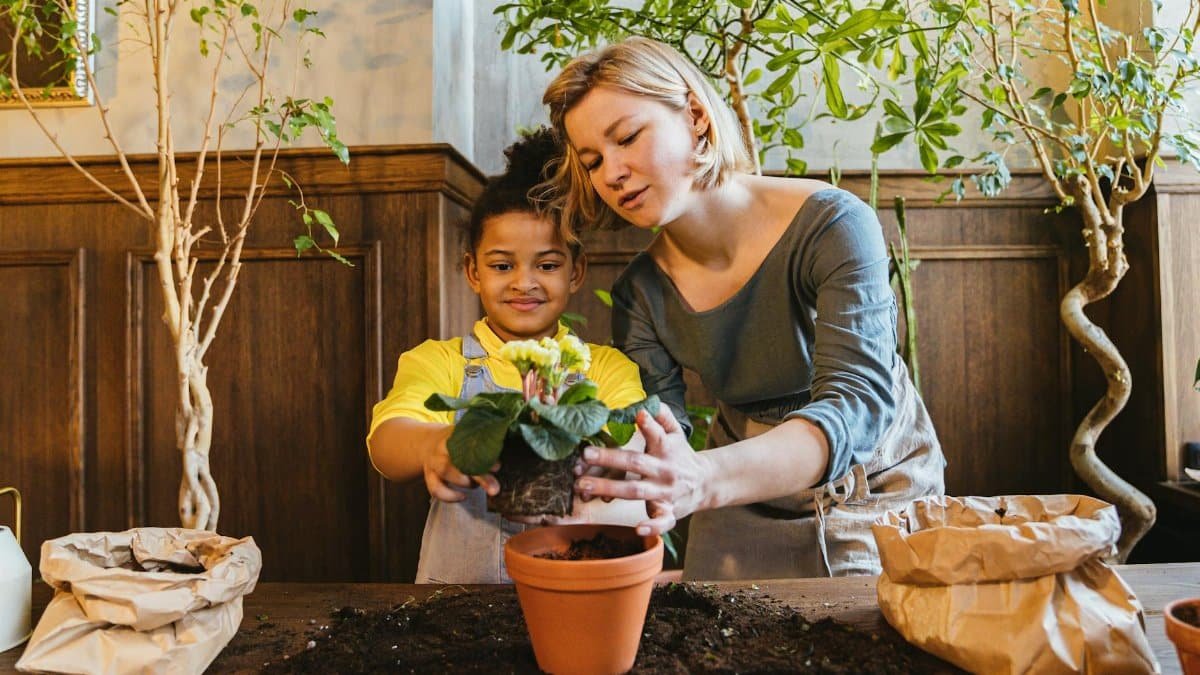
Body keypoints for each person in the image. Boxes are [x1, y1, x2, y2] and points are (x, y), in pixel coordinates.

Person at [539, 37, 945, 579]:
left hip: (873, 480)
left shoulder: (834, 225)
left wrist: (702, 479)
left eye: (627, 137)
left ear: (696, 116)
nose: (611, 173)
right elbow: (664, 432)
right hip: (735, 487)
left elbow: (855, 405)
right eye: (592, 161)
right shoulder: (640, 296)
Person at [366, 128, 647, 584]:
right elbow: (387, 442)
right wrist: (436, 446)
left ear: (576, 272)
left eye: (548, 265)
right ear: (472, 271)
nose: (523, 282)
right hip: (459, 597)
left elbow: (631, 438)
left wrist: (603, 455)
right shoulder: (441, 360)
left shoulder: (604, 367)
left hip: (573, 583)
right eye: (502, 265)